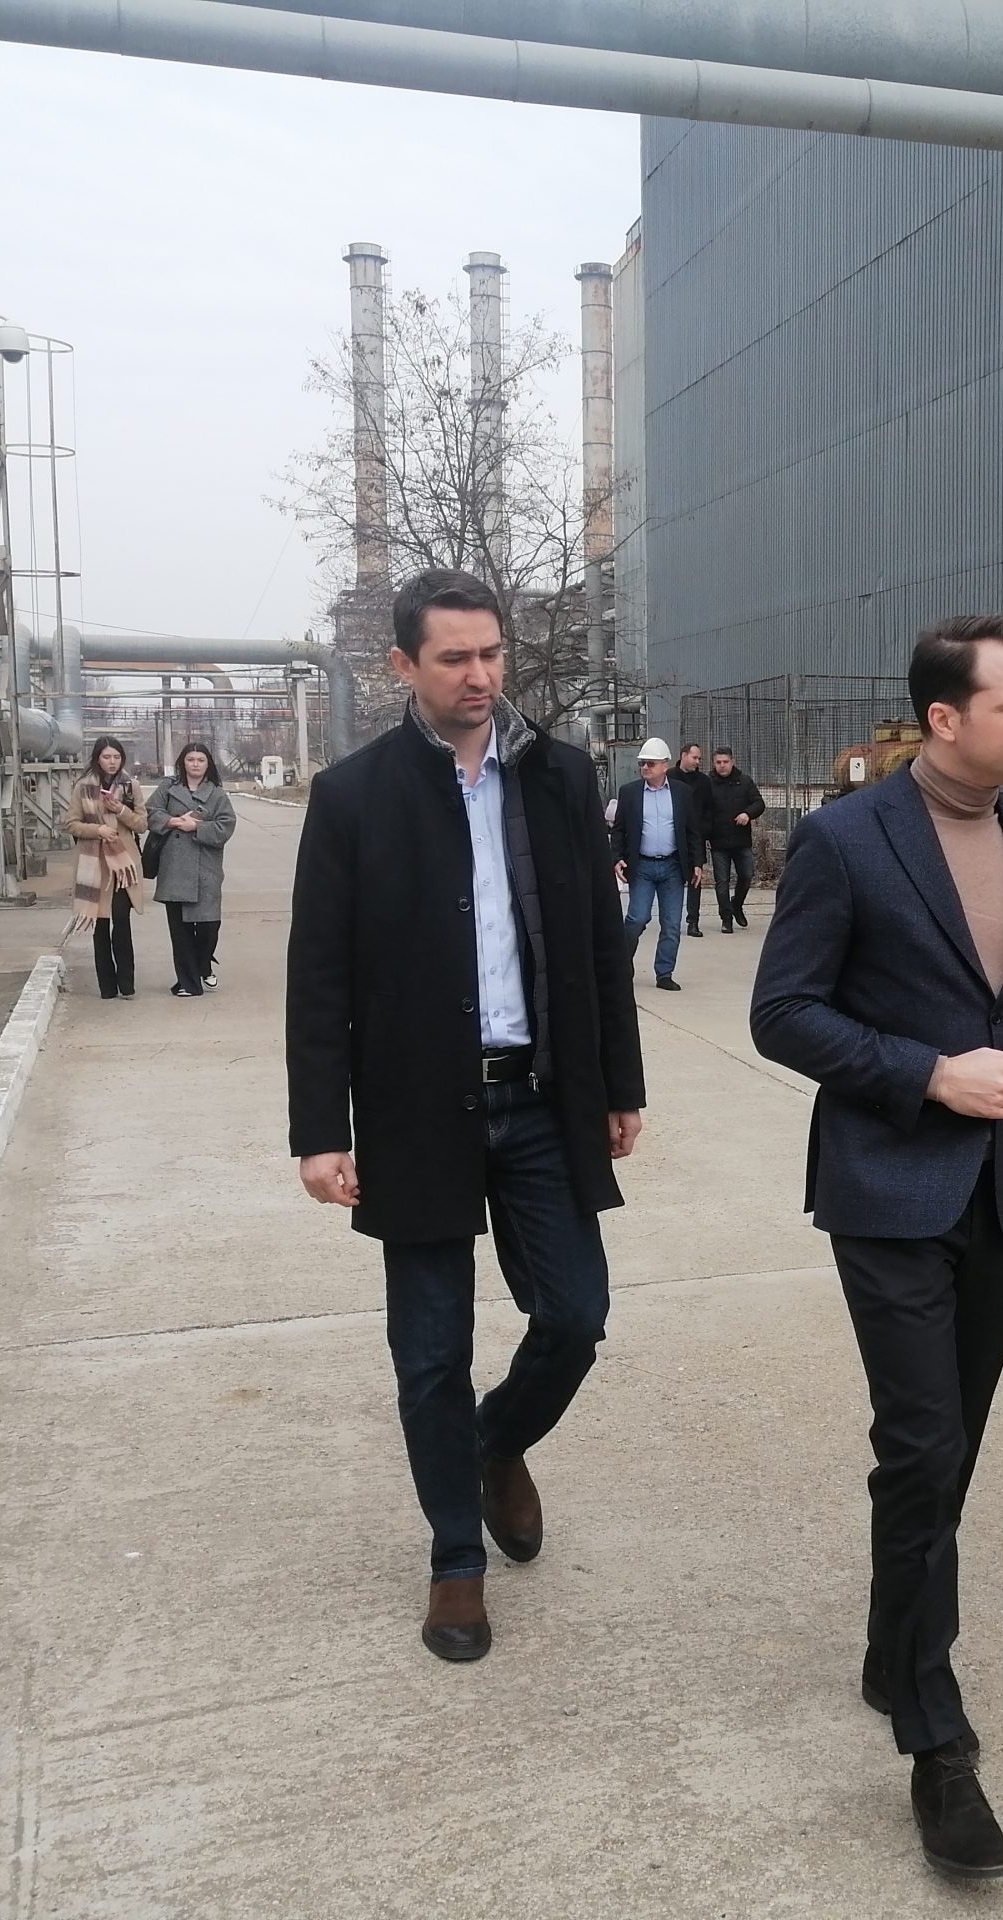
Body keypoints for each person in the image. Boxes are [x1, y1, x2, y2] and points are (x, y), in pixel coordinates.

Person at [752, 613, 1003, 1883]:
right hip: (886, 1188)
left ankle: (893, 1647)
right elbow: (783, 1012)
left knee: (947, 1452)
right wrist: (926, 1072)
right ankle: (935, 1737)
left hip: (1002, 1198)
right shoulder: (845, 839)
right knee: (923, 1446)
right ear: (945, 718)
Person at [287, 567, 646, 1667]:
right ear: (403, 664)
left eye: (491, 653)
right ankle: (455, 1558)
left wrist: (620, 1084)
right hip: (417, 1110)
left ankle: (494, 1445)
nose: (480, 675)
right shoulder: (354, 796)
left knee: (576, 1316)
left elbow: (598, 948)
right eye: (454, 657)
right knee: (430, 1352)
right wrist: (320, 1130)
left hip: (539, 1098)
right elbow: (319, 978)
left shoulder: (559, 777)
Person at [611, 738, 706, 992]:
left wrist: (697, 862)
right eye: (642, 763)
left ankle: (664, 973)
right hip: (642, 866)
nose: (645, 768)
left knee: (672, 923)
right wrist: (616, 857)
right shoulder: (629, 793)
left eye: (650, 763)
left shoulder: (682, 793)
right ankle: (622, 966)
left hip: (672, 867)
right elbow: (618, 829)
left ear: (665, 765)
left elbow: (693, 830)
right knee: (636, 918)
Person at [148, 741, 238, 998]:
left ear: (208, 764)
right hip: (174, 866)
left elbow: (226, 826)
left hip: (205, 867)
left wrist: (197, 827)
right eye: (191, 760)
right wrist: (174, 821)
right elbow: (151, 812)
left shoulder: (217, 794)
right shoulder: (168, 788)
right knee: (180, 931)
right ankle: (188, 983)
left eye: (200, 760)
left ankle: (203, 964)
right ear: (183, 762)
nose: (195, 764)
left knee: (209, 926)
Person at [67, 735, 149, 1000]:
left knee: (121, 921)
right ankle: (107, 986)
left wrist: (121, 810)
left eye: (116, 757)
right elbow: (71, 824)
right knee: (100, 925)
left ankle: (127, 984)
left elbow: (142, 825)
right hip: (94, 865)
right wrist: (98, 829)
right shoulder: (83, 787)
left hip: (124, 866)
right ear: (97, 759)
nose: (112, 762)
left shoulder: (130, 786)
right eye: (107, 757)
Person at [706, 745, 766, 931]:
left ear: (733, 762)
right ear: (714, 763)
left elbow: (759, 803)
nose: (722, 765)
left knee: (746, 875)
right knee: (722, 881)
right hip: (718, 842)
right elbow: (701, 809)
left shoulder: (744, 781)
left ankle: (737, 904)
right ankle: (726, 919)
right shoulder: (708, 783)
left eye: (725, 762)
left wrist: (748, 814)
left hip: (741, 841)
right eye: (718, 762)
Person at [673, 741, 713, 936]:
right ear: (683, 756)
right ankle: (671, 920)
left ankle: (693, 921)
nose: (698, 761)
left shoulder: (703, 781)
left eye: (699, 758)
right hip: (673, 837)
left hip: (695, 837)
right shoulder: (669, 777)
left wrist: (703, 830)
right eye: (694, 757)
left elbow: (709, 808)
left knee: (695, 879)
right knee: (672, 881)